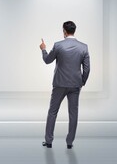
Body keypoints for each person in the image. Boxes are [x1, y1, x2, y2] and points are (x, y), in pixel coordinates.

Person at [39, 21, 90, 149]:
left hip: (59, 84)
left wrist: (43, 49)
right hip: (75, 85)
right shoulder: (84, 47)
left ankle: (49, 141)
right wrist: (82, 81)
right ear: (74, 30)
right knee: (73, 113)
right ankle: (69, 143)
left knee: (53, 112)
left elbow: (47, 60)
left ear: (64, 31)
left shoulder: (58, 45)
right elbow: (87, 68)